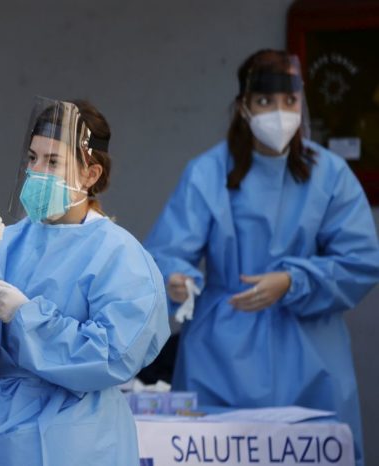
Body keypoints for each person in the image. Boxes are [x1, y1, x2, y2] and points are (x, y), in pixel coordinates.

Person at [144, 49, 379, 466]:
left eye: (289, 101)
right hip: (220, 354)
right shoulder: (208, 172)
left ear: (302, 102)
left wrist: (293, 281)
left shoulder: (330, 175)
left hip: (311, 358)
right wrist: (177, 277)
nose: (279, 113)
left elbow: (360, 259)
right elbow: (164, 252)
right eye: (265, 101)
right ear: (244, 107)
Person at [0, 97, 170, 466]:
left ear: (91, 174)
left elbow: (112, 356)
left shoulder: (121, 257)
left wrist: (27, 317)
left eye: (53, 162)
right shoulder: (8, 241)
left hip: (81, 438)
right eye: (33, 159)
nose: (37, 171)